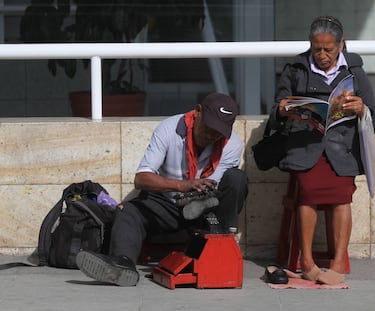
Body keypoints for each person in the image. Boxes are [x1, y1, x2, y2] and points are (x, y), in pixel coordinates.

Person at [76, 92, 248, 286]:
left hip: (206, 210)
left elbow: (219, 188)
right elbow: (141, 178)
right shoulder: (169, 129)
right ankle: (122, 264)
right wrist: (182, 185)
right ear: (198, 111)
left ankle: (222, 240)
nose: (211, 135)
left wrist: (201, 196)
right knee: (128, 211)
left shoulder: (232, 143)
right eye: (209, 127)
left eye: (218, 132)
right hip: (168, 202)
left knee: (236, 179)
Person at [270, 16, 375, 285]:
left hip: (341, 147)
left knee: (342, 197)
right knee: (307, 194)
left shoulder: (354, 72)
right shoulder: (296, 68)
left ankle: (338, 261)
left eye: (328, 49)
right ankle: (306, 262)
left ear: (341, 45)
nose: (322, 55)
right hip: (304, 144)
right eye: (316, 48)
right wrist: (284, 109)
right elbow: (275, 113)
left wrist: (361, 109)